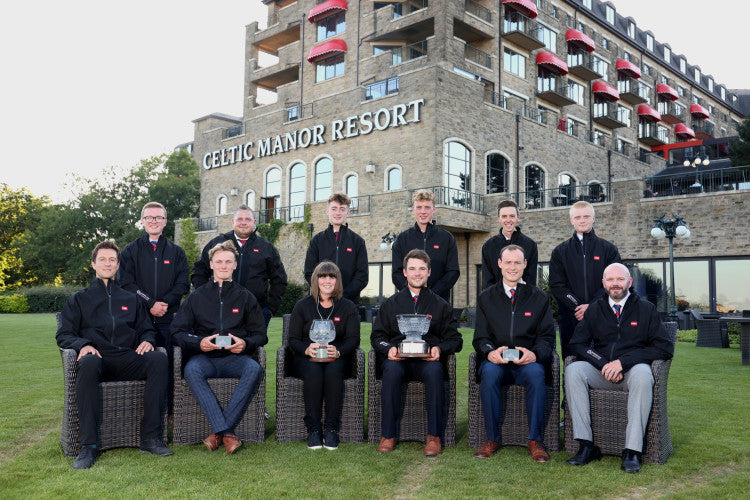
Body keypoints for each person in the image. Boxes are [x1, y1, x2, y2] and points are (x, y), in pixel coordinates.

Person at [56, 240, 172, 469]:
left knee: (158, 358)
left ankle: (150, 438)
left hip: (127, 357)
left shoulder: (131, 299)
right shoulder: (79, 299)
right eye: (102, 259)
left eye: (112, 260)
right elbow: (64, 335)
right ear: (93, 264)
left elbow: (147, 328)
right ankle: (88, 446)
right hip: (98, 358)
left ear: (118, 265)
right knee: (88, 363)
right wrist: (84, 344)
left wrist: (148, 340)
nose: (107, 264)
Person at [565, 263, 674, 473]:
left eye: (620, 279)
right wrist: (602, 363)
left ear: (629, 282)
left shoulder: (646, 308)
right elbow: (576, 344)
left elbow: (664, 348)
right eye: (611, 280)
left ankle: (632, 451)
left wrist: (624, 362)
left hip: (631, 372)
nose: (616, 284)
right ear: (604, 283)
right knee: (573, 370)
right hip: (601, 370)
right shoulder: (595, 309)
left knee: (644, 374)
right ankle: (586, 445)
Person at [172, 240, 267, 454]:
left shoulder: (246, 297)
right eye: (219, 262)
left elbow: (261, 334)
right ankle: (227, 433)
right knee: (191, 370)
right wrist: (199, 343)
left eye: (228, 262)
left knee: (253, 368)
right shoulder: (196, 297)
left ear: (235, 265)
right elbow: (176, 332)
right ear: (211, 264)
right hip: (204, 359)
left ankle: (218, 432)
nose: (223, 266)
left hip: (235, 359)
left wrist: (246, 344)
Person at [372, 249, 463, 456]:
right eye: (412, 268)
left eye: (422, 269)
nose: (417, 273)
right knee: (392, 370)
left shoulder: (441, 305)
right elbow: (377, 337)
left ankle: (434, 436)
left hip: (427, 359)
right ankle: (388, 435)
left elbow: (455, 339)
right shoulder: (390, 304)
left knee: (434, 370)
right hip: (398, 359)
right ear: (404, 272)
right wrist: (390, 349)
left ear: (429, 272)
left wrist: (440, 348)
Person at [472, 245, 555, 462]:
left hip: (527, 363)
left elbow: (547, 338)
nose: (512, 267)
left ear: (525, 265)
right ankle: (491, 438)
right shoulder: (486, 297)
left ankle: (535, 440)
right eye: (508, 262)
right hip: (497, 362)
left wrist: (534, 354)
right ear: (499, 264)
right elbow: (480, 338)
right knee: (489, 373)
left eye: (517, 262)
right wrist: (489, 353)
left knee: (537, 374)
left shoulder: (539, 298)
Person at [119, 201, 190, 410]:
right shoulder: (130, 251)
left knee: (169, 364)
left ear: (165, 222)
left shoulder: (177, 252)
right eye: (149, 217)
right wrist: (149, 303)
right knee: (141, 362)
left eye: (158, 217)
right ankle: (140, 408)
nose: (154, 221)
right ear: (142, 221)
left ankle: (169, 408)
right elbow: (126, 283)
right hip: (139, 321)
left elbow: (183, 284)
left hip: (169, 320)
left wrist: (164, 303)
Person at [289, 261, 360, 450]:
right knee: (313, 371)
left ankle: (331, 429)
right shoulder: (302, 306)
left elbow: (354, 340)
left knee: (333, 371)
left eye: (331, 276)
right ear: (316, 280)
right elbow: (293, 339)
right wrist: (306, 349)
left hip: (337, 357)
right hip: (306, 358)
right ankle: (313, 429)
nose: (327, 280)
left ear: (337, 281)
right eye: (322, 276)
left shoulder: (348, 307)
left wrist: (338, 351)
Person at [192, 204, 287, 326]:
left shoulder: (266, 247)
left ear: (254, 222)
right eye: (239, 219)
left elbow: (279, 279)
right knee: (219, 344)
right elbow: (199, 272)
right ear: (233, 222)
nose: (243, 223)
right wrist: (206, 298)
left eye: (247, 219)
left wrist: (271, 309)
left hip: (255, 312)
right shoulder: (218, 243)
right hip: (220, 310)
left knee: (253, 344)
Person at [549, 201, 621, 359]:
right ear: (571, 220)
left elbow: (615, 283)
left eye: (586, 216)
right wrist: (578, 306)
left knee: (605, 361)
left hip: (603, 316)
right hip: (571, 318)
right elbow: (557, 285)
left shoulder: (608, 249)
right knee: (572, 362)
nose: (582, 220)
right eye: (578, 217)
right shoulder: (560, 252)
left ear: (593, 218)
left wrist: (592, 306)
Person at [391, 189, 459, 303]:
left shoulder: (447, 238)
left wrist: (431, 294)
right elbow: (396, 273)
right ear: (413, 209)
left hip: (439, 302)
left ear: (434, 209)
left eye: (427, 207)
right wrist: (412, 292)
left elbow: (453, 272)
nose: (423, 211)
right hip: (409, 302)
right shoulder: (402, 239)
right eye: (419, 207)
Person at [304, 192, 368, 303]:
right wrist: (324, 293)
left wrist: (343, 296)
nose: (338, 213)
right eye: (334, 208)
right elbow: (309, 272)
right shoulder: (316, 241)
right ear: (327, 211)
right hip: (322, 303)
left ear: (348, 212)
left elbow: (362, 276)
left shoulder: (358, 242)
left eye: (342, 209)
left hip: (349, 303)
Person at [481, 200, 538, 289]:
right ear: (499, 218)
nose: (508, 220)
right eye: (504, 216)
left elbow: (531, 279)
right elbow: (487, 280)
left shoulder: (530, 245)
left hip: (523, 300)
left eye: (512, 216)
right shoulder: (488, 246)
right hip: (496, 300)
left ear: (518, 217)